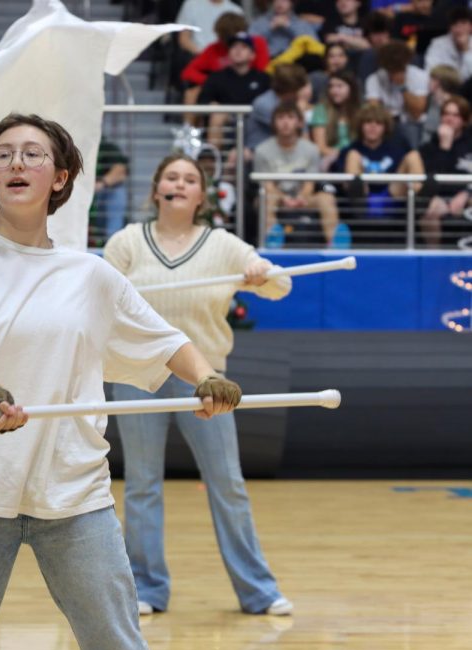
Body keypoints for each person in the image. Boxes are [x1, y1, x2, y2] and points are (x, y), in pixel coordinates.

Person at [0, 114, 242, 650]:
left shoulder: (91, 276)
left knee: (117, 645)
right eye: (3, 154)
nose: (16, 162)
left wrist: (207, 377)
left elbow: (167, 341)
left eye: (33, 154)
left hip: (74, 496)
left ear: (60, 178)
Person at [104, 153, 293, 618]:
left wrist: (261, 275)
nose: (180, 184)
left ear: (202, 196)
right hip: (136, 376)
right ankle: (147, 589)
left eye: (190, 179)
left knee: (227, 482)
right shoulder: (127, 242)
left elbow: (281, 285)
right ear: (156, 190)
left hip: (206, 379)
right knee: (142, 485)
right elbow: (98, 297)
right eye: (171, 176)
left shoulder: (224, 245)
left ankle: (259, 591)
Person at [254, 102, 346, 246]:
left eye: (290, 117)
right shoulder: (262, 150)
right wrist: (284, 199)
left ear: (299, 122)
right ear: (273, 123)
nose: (285, 122)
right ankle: (272, 241)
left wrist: (300, 198)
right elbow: (268, 186)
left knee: (326, 198)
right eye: (280, 118)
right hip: (276, 198)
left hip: (304, 198)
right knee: (268, 198)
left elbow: (309, 183)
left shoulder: (311, 149)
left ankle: (335, 244)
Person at [419, 95, 472, 245]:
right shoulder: (429, 148)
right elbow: (433, 182)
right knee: (430, 214)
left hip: (468, 193)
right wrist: (444, 148)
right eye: (446, 114)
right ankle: (434, 258)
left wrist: (466, 194)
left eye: (455, 115)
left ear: (464, 120)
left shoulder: (470, 143)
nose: (449, 119)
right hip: (442, 197)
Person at [310, 70, 362, 169]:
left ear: (352, 88)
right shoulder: (321, 110)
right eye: (331, 86)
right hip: (331, 159)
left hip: (358, 158)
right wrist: (343, 154)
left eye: (339, 86)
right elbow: (320, 147)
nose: (334, 90)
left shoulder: (362, 111)